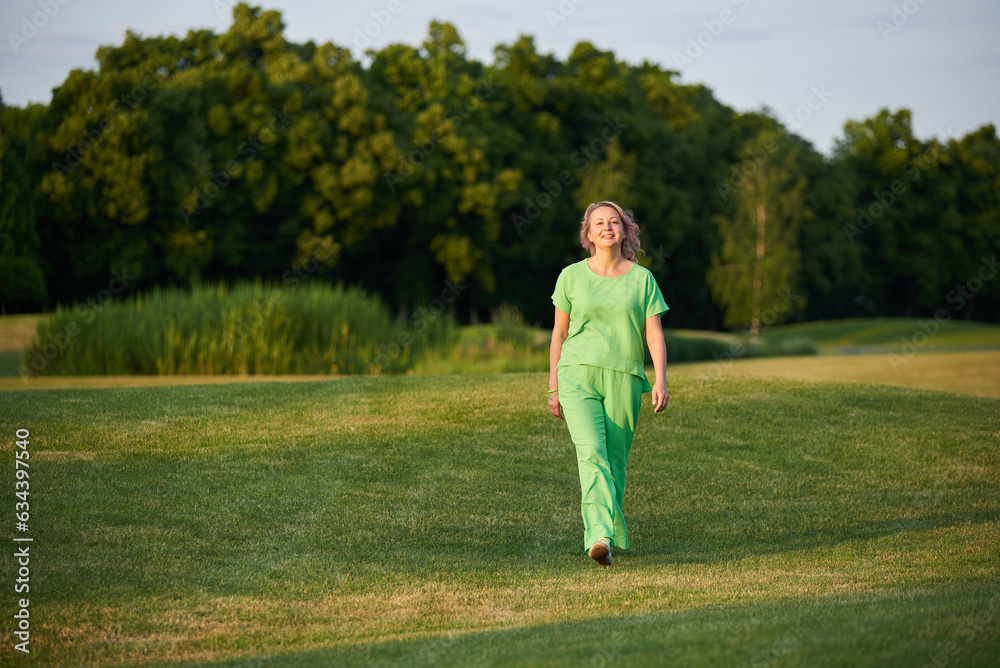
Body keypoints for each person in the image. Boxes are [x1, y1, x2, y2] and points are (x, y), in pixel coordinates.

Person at [548, 200, 669, 567]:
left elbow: (654, 333)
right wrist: (553, 385)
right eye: (598, 223)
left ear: (624, 231)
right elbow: (559, 333)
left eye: (613, 221)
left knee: (614, 461)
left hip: (625, 377)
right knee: (592, 454)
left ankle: (606, 534)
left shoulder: (642, 279)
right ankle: (598, 536)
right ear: (588, 234)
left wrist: (660, 378)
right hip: (577, 374)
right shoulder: (570, 276)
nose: (606, 227)